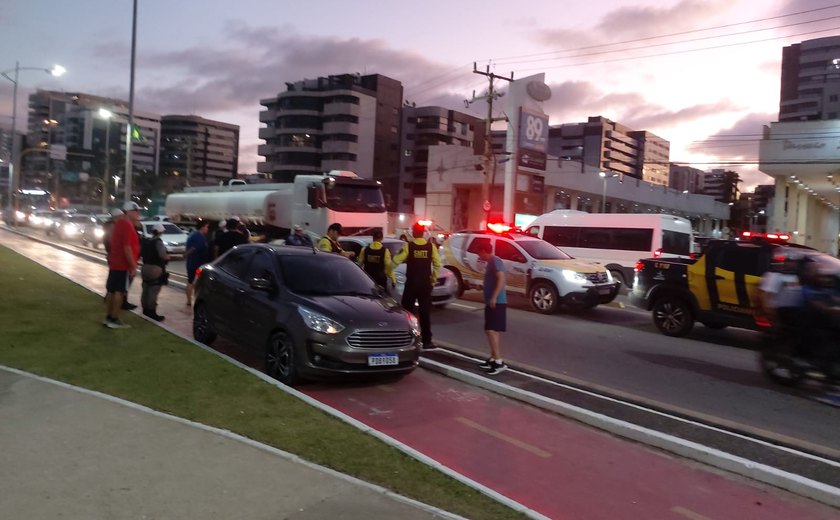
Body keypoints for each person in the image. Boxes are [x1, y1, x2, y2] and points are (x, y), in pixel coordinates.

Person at [393, 221, 440, 350]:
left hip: (411, 284)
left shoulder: (409, 246)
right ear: (423, 233)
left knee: (407, 313)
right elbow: (437, 264)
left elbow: (396, 260)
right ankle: (427, 341)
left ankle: (405, 339)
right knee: (425, 313)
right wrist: (433, 280)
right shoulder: (431, 247)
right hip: (425, 285)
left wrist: (389, 272)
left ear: (413, 233)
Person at [103, 201, 142, 328]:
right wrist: (133, 266)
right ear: (129, 212)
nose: (138, 214)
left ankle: (109, 317)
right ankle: (114, 319)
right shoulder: (126, 225)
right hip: (122, 265)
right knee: (119, 291)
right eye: (136, 211)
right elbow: (127, 247)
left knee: (111, 291)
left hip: (115, 263)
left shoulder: (119, 224)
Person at [476, 242, 508, 375]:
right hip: (493, 301)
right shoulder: (491, 262)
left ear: (484, 251)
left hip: (497, 302)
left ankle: (499, 361)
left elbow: (501, 278)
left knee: (490, 330)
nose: (478, 255)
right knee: (493, 331)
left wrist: (494, 296)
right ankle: (493, 357)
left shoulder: (495, 261)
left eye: (479, 252)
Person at [139, 222, 170, 321]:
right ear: (161, 232)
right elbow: (162, 255)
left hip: (145, 268)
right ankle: (151, 312)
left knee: (146, 288)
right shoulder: (158, 242)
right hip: (155, 269)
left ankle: (145, 309)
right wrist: (168, 257)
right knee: (154, 290)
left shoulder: (147, 241)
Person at [357, 228, 396, 294]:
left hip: (368, 280)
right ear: (382, 238)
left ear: (373, 238)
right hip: (381, 281)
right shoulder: (385, 251)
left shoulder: (364, 250)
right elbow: (389, 267)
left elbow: (359, 265)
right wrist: (393, 280)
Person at [185, 220, 211, 306]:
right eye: (207, 227)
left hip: (192, 263)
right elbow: (193, 248)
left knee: (191, 281)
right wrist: (185, 255)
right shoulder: (199, 236)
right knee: (194, 282)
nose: (207, 229)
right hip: (196, 264)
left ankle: (189, 300)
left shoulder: (194, 235)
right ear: (202, 227)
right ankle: (191, 300)